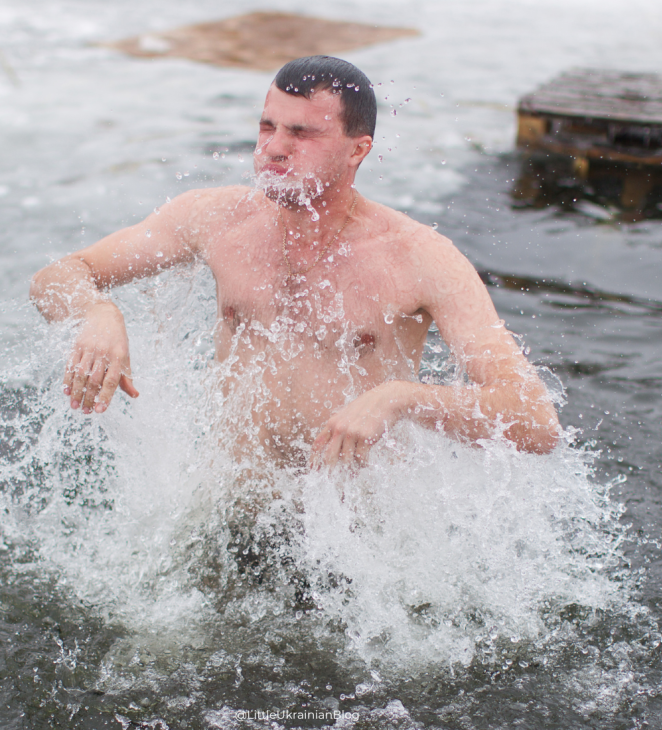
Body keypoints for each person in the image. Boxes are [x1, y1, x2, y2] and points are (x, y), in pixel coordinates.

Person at [30, 56, 559, 470]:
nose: (273, 149)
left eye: (301, 134)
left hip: (349, 549)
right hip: (230, 516)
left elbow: (535, 422)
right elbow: (57, 276)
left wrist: (401, 399)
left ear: (357, 150)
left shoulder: (419, 257)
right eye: (267, 127)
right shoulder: (215, 218)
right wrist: (97, 315)